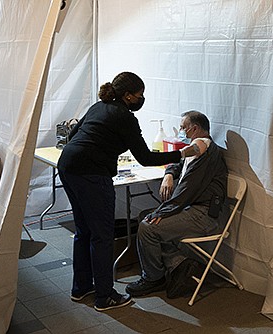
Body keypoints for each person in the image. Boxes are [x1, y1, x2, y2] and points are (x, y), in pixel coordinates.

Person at [57, 72, 201, 311]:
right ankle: (105, 296)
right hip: (92, 175)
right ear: (127, 96)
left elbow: (73, 135)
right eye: (140, 95)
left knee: (83, 230)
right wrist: (183, 153)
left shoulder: (99, 106)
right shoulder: (124, 116)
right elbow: (145, 157)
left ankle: (81, 288)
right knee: (102, 235)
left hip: (68, 166)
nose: (141, 99)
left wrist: (104, 148)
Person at [125, 110, 228, 297]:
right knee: (144, 216)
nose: (180, 131)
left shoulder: (203, 151)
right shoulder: (194, 149)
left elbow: (186, 191)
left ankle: (153, 278)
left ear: (194, 129)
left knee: (148, 227)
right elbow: (179, 162)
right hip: (193, 207)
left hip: (204, 215)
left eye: (182, 127)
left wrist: (161, 212)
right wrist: (169, 174)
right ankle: (178, 262)